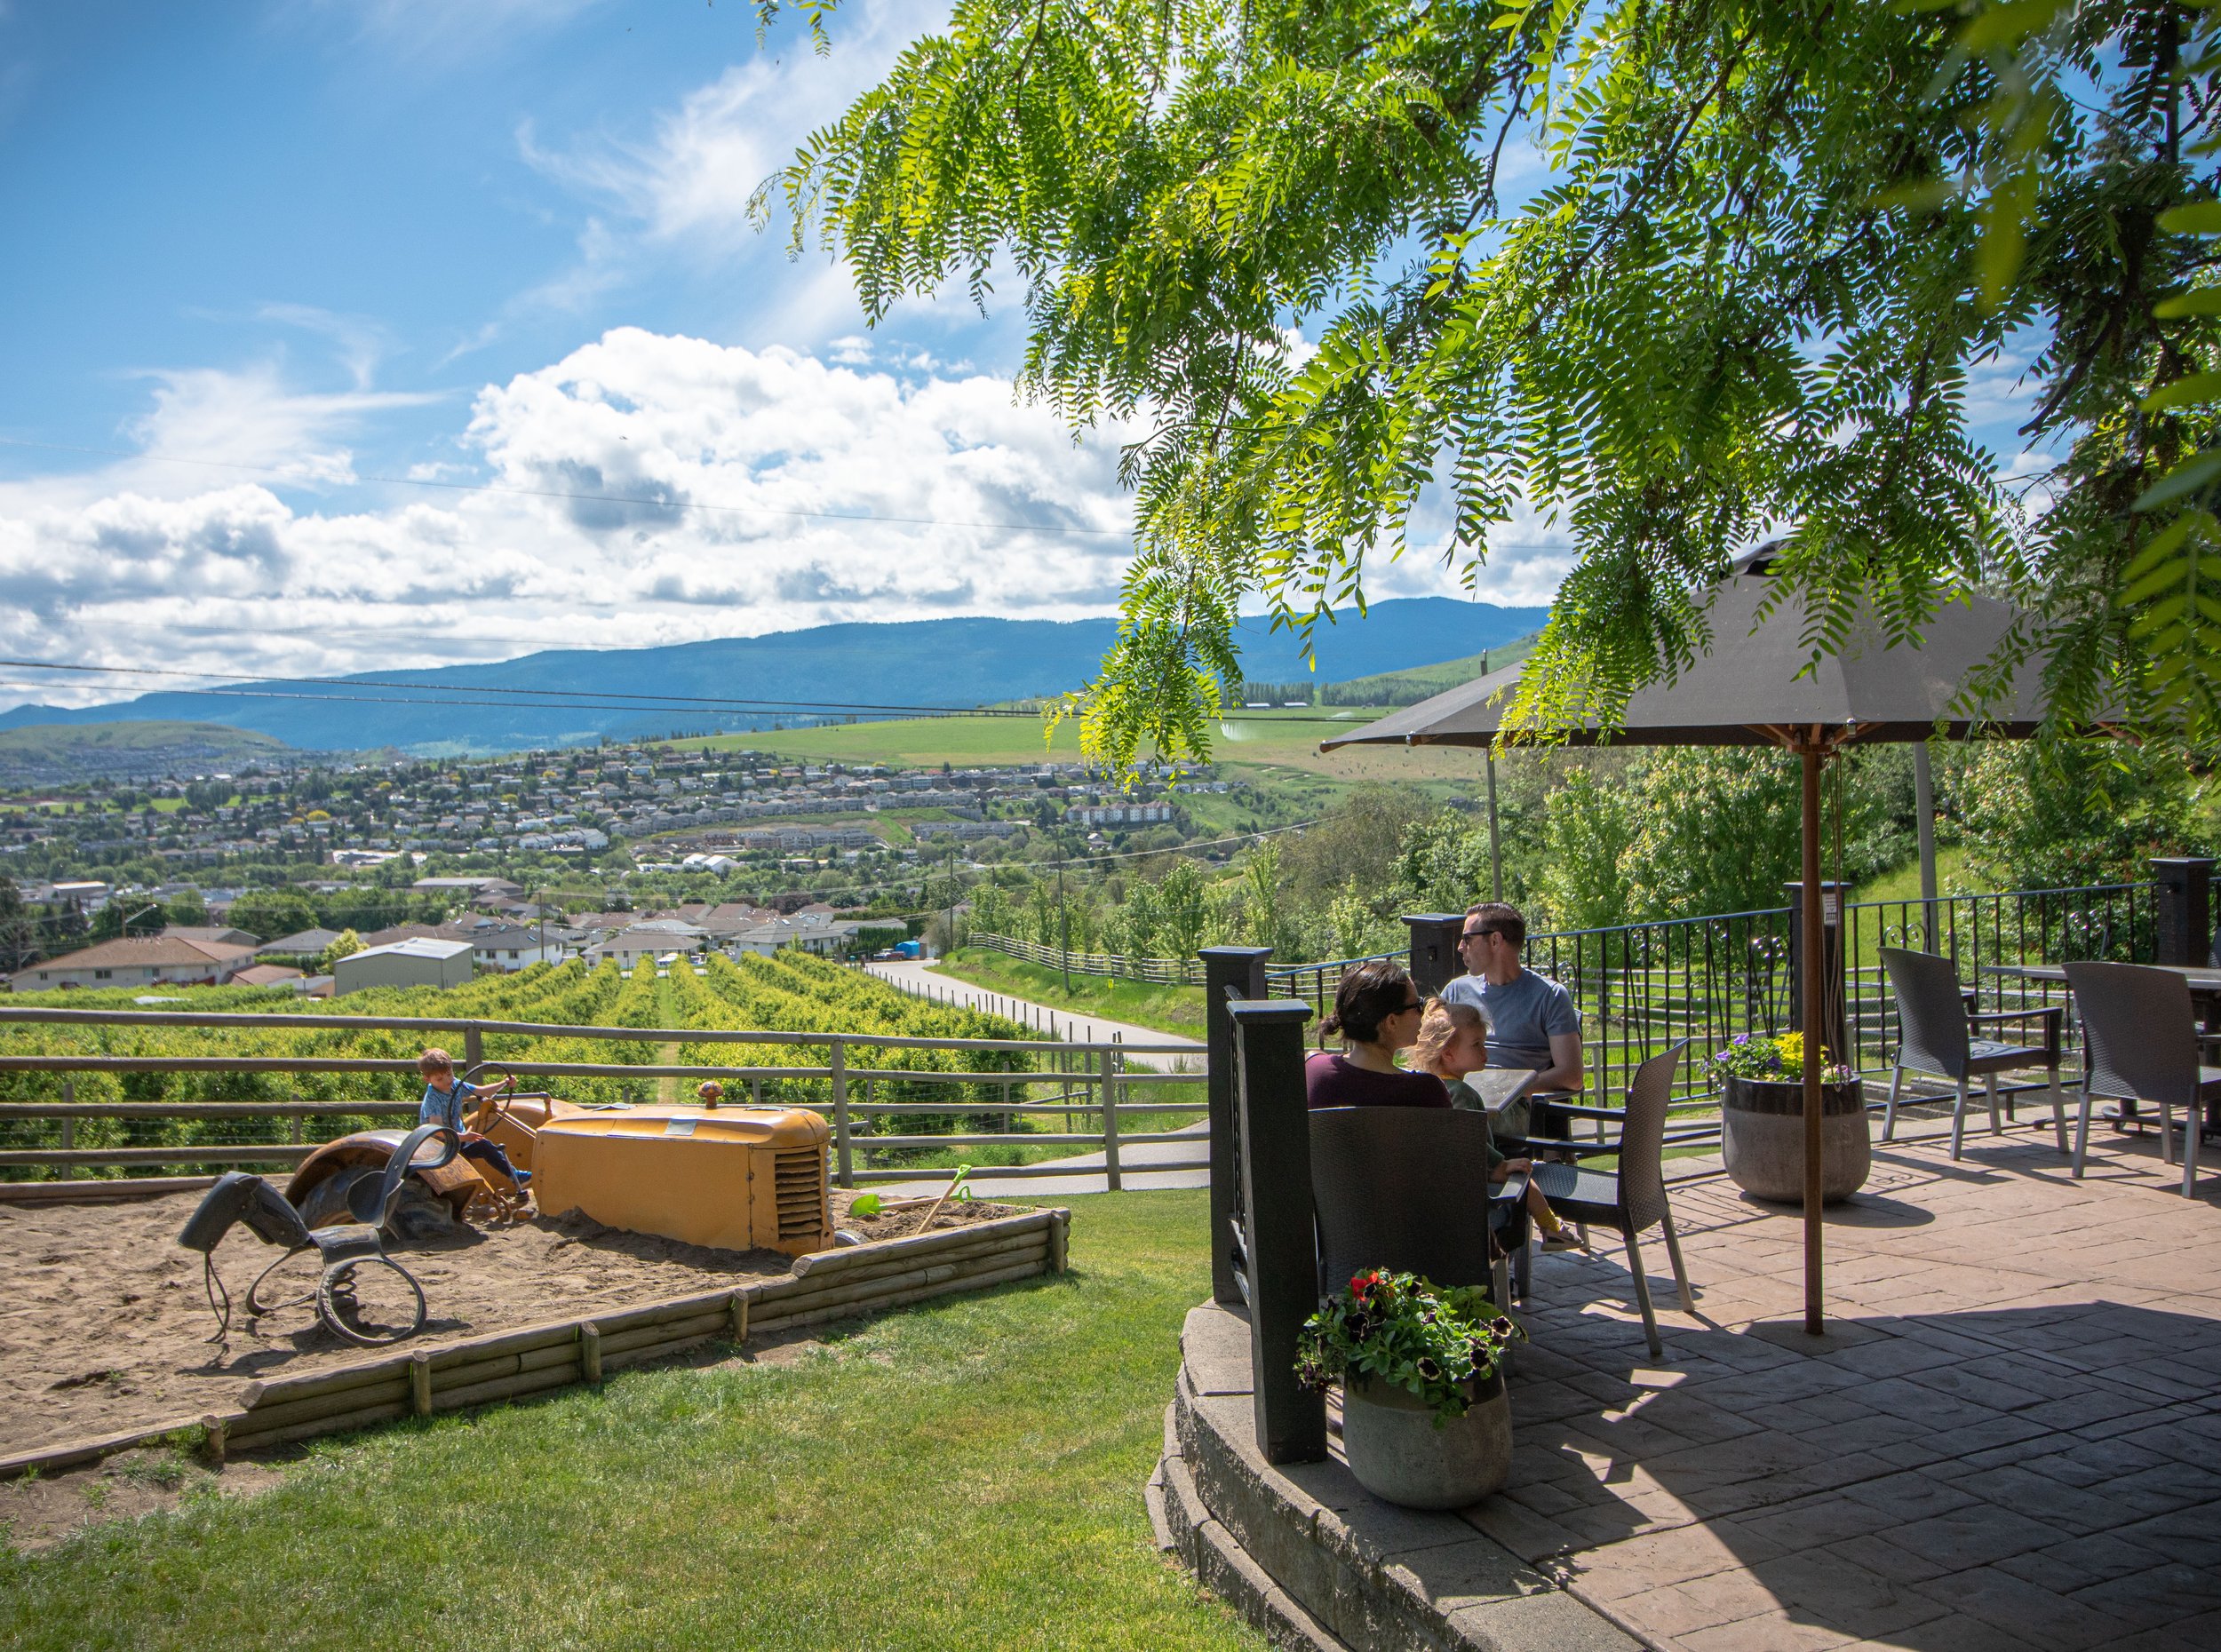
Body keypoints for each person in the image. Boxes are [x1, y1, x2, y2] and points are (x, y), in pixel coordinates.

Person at [1413, 998, 1585, 1251]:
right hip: (1474, 1184)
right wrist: (1499, 1165)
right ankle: (1552, 1227)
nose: (1485, 1052)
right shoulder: (1461, 1093)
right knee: (1525, 1176)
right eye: (1476, 1045)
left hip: (1441, 1186)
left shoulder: (1425, 1087)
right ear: (1448, 1053)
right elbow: (1469, 1140)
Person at [1442, 901, 1583, 1148]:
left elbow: (1571, 1076)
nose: (1460, 947)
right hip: (1458, 1096)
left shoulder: (1549, 996)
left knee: (1456, 1124)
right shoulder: (1455, 992)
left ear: (1495, 940)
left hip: (1510, 1109)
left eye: (1467, 938)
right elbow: (1428, 1052)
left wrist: (1507, 1090)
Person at [1304, 959, 1450, 1109]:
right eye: (1418, 1005)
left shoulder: (1315, 1070)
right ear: (1391, 1022)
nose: (1422, 1013)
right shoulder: (1427, 1091)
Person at [417, 1047, 531, 1193]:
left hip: (460, 1139)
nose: (447, 1080)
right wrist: (463, 1137)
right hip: (440, 1146)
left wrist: (504, 1083)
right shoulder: (432, 1099)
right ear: (427, 1079)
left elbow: (482, 1091)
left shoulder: (455, 1085)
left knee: (485, 1146)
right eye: (440, 1079)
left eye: (449, 1074)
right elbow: (437, 1130)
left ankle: (515, 1176)